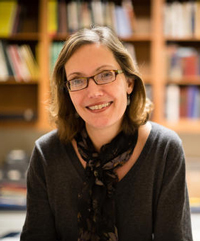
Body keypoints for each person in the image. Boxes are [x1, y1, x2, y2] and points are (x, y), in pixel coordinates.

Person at [20, 26, 193, 241]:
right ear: (67, 93)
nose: (93, 92)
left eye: (105, 74)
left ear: (129, 82)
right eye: (77, 80)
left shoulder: (165, 150)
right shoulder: (46, 154)